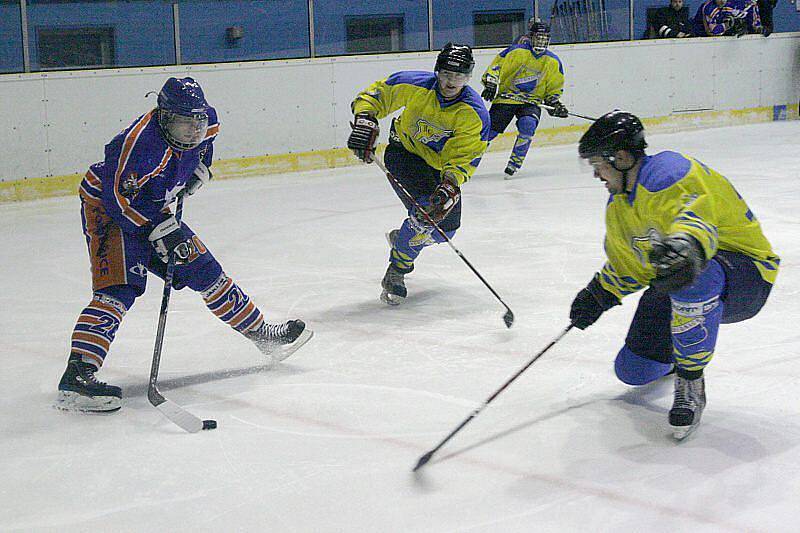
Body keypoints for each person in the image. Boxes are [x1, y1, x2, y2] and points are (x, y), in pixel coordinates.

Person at [56, 77, 313, 413]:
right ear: (164, 118)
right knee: (120, 288)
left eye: (198, 122)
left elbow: (208, 140)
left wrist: (200, 170)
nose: (194, 131)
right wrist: (159, 230)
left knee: (205, 271)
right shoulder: (139, 145)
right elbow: (119, 200)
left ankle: (263, 335)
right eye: (185, 124)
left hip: (151, 204)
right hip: (109, 208)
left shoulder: (205, 121)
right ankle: (77, 376)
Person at [571, 110, 779, 439]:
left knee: (698, 276)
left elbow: (695, 219)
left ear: (622, 157)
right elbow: (632, 265)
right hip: (680, 275)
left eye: (600, 164)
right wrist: (599, 293)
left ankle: (690, 381)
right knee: (633, 370)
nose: (597, 175)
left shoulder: (669, 172)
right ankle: (680, 348)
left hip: (745, 274)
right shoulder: (620, 205)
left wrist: (685, 246)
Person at [347, 43, 490, 305]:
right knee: (425, 214)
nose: (451, 82)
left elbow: (464, 158)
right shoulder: (415, 84)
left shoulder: (474, 114)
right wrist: (366, 119)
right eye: (447, 73)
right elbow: (374, 96)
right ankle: (397, 271)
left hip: (438, 169)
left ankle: (403, 239)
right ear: (437, 71)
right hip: (404, 155)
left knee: (445, 229)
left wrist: (450, 185)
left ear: (468, 77)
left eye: (459, 76)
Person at [480, 19, 568, 177]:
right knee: (489, 133)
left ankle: (514, 163)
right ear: (531, 36)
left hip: (531, 102)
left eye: (545, 38)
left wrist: (554, 102)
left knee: (528, 125)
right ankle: (466, 159)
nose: (541, 42)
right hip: (507, 99)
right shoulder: (516, 51)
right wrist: (491, 83)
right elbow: (496, 67)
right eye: (538, 37)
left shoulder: (553, 61)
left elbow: (554, 87)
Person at [693, 0, 761, 37]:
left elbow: (755, 24)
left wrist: (760, 29)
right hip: (701, 36)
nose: (722, 1)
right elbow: (712, 32)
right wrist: (728, 25)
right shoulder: (709, 7)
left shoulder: (742, 3)